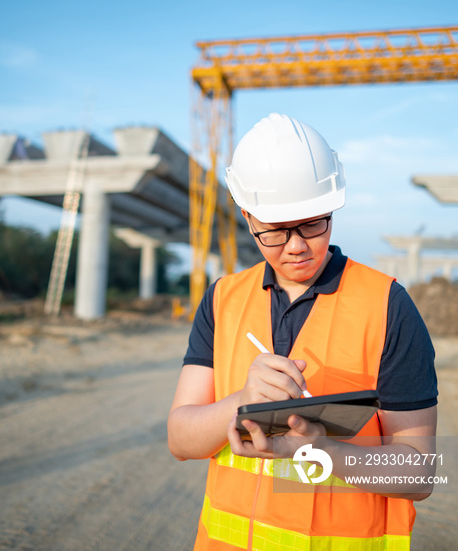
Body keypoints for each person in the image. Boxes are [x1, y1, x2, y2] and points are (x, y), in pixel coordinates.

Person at [168, 113, 438, 551]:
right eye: (275, 231)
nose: (296, 245)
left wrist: (322, 451)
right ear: (248, 217)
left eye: (313, 223)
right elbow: (180, 439)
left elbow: (420, 474)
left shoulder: (388, 306)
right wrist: (240, 403)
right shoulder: (223, 298)